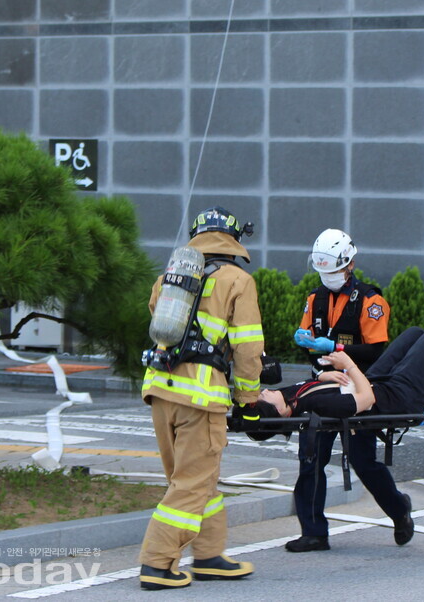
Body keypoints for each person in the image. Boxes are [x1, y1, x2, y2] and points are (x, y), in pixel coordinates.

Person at [138, 206, 264, 591]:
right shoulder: (238, 281)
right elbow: (247, 347)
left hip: (160, 390)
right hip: (202, 396)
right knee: (192, 483)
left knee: (193, 479)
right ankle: (156, 564)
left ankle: (209, 556)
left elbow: (157, 322)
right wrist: (249, 400)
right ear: (234, 241)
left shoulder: (169, 279)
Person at [285, 228, 408, 554]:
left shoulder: (370, 301)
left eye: (334, 271)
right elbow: (308, 337)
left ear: (350, 264)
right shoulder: (315, 298)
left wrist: (337, 347)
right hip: (321, 389)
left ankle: (399, 510)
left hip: (357, 392)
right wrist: (306, 342)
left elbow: (377, 351)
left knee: (363, 460)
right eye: (323, 271)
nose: (328, 278)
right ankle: (314, 532)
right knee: (311, 457)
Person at [256, 326, 424, 422]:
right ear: (281, 411)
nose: (265, 390)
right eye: (265, 396)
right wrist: (348, 364)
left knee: (415, 333)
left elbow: (314, 386)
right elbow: (367, 399)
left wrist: (321, 378)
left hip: (371, 384)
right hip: (394, 400)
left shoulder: (290, 397)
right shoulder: (314, 406)